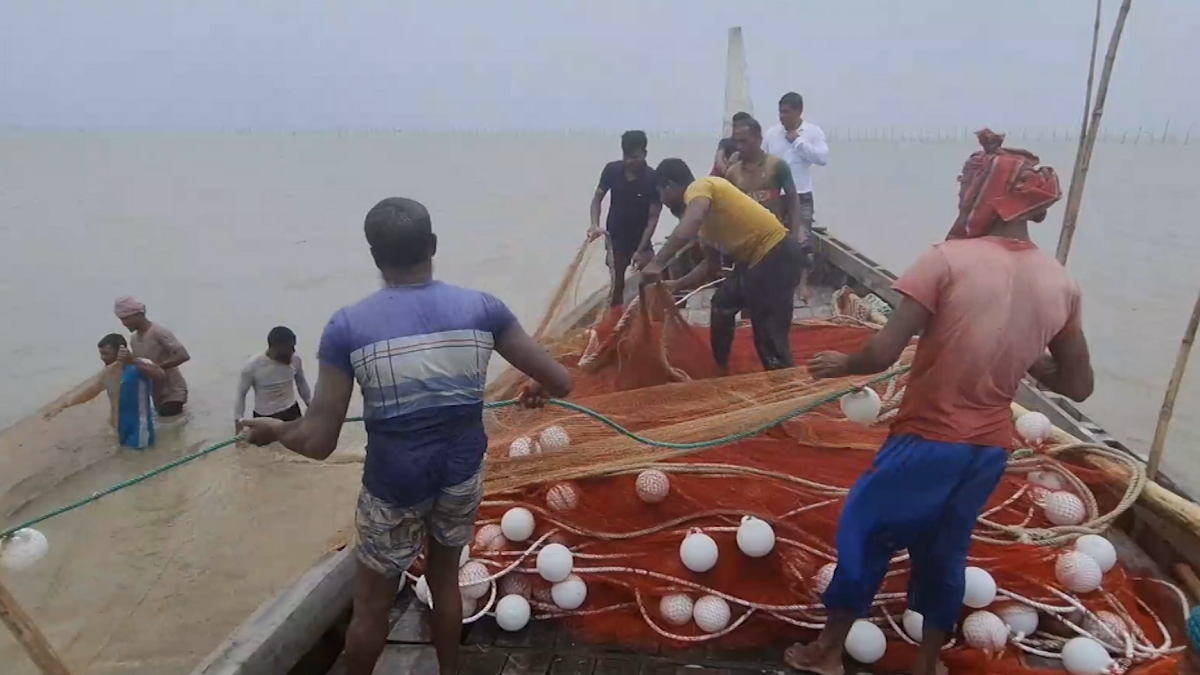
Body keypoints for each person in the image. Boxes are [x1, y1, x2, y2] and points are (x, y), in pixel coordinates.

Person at [789, 130, 1092, 675]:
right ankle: (927, 663)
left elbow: (882, 353)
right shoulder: (1062, 283)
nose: (960, 196)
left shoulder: (945, 260)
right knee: (945, 549)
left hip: (929, 438)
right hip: (988, 451)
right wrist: (1029, 359)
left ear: (990, 195)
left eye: (968, 184)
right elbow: (1078, 384)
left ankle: (828, 652)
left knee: (865, 527)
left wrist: (843, 363)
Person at [241, 197, 572, 675]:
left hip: (392, 489)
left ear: (375, 258)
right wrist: (537, 387)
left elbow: (318, 442)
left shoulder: (347, 327)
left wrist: (274, 430)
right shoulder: (483, 309)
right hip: (460, 477)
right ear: (433, 246)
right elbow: (561, 381)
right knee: (443, 579)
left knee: (372, 606)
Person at [640, 159, 805, 372]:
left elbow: (692, 220)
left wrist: (657, 263)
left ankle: (786, 386)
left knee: (768, 337)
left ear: (670, 186)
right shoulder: (705, 224)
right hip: (754, 262)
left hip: (777, 254)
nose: (662, 200)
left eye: (661, 193)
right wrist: (676, 284)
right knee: (722, 303)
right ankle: (720, 367)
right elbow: (710, 265)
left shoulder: (701, 187)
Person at [44, 333, 163, 449]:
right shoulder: (109, 371)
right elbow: (92, 390)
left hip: (139, 427)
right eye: (101, 354)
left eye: (106, 354)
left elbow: (160, 374)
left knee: (137, 460)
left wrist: (132, 360)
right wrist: (64, 405)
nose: (102, 358)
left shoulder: (140, 365)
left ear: (121, 350)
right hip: (119, 426)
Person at [763, 92, 827, 301]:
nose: (782, 116)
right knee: (773, 238)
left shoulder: (812, 132)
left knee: (802, 238)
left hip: (801, 194)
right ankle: (775, 282)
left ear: (798, 111)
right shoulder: (772, 134)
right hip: (776, 195)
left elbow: (822, 158)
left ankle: (802, 284)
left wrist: (798, 141)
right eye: (780, 112)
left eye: (786, 112)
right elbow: (763, 160)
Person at [588, 130, 662, 307]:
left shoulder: (652, 178)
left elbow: (653, 217)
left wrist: (641, 248)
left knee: (651, 281)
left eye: (635, 157)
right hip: (616, 240)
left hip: (641, 240)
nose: (630, 161)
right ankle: (615, 319)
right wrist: (594, 225)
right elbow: (597, 199)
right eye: (626, 156)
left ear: (645, 154)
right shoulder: (612, 170)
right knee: (617, 285)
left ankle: (651, 317)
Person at [114, 296, 190, 417]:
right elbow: (138, 364)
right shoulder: (134, 339)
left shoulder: (158, 332)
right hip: (155, 395)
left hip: (173, 394)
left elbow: (183, 355)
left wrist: (156, 368)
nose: (124, 323)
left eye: (127, 318)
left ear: (139, 314)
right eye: (121, 320)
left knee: (168, 421)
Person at [234, 326, 312, 433]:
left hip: (291, 411)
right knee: (265, 449)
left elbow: (302, 384)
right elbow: (241, 396)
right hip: (264, 416)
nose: (293, 351)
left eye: (294, 346)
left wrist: (311, 406)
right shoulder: (252, 366)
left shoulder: (295, 360)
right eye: (290, 348)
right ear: (276, 347)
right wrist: (238, 426)